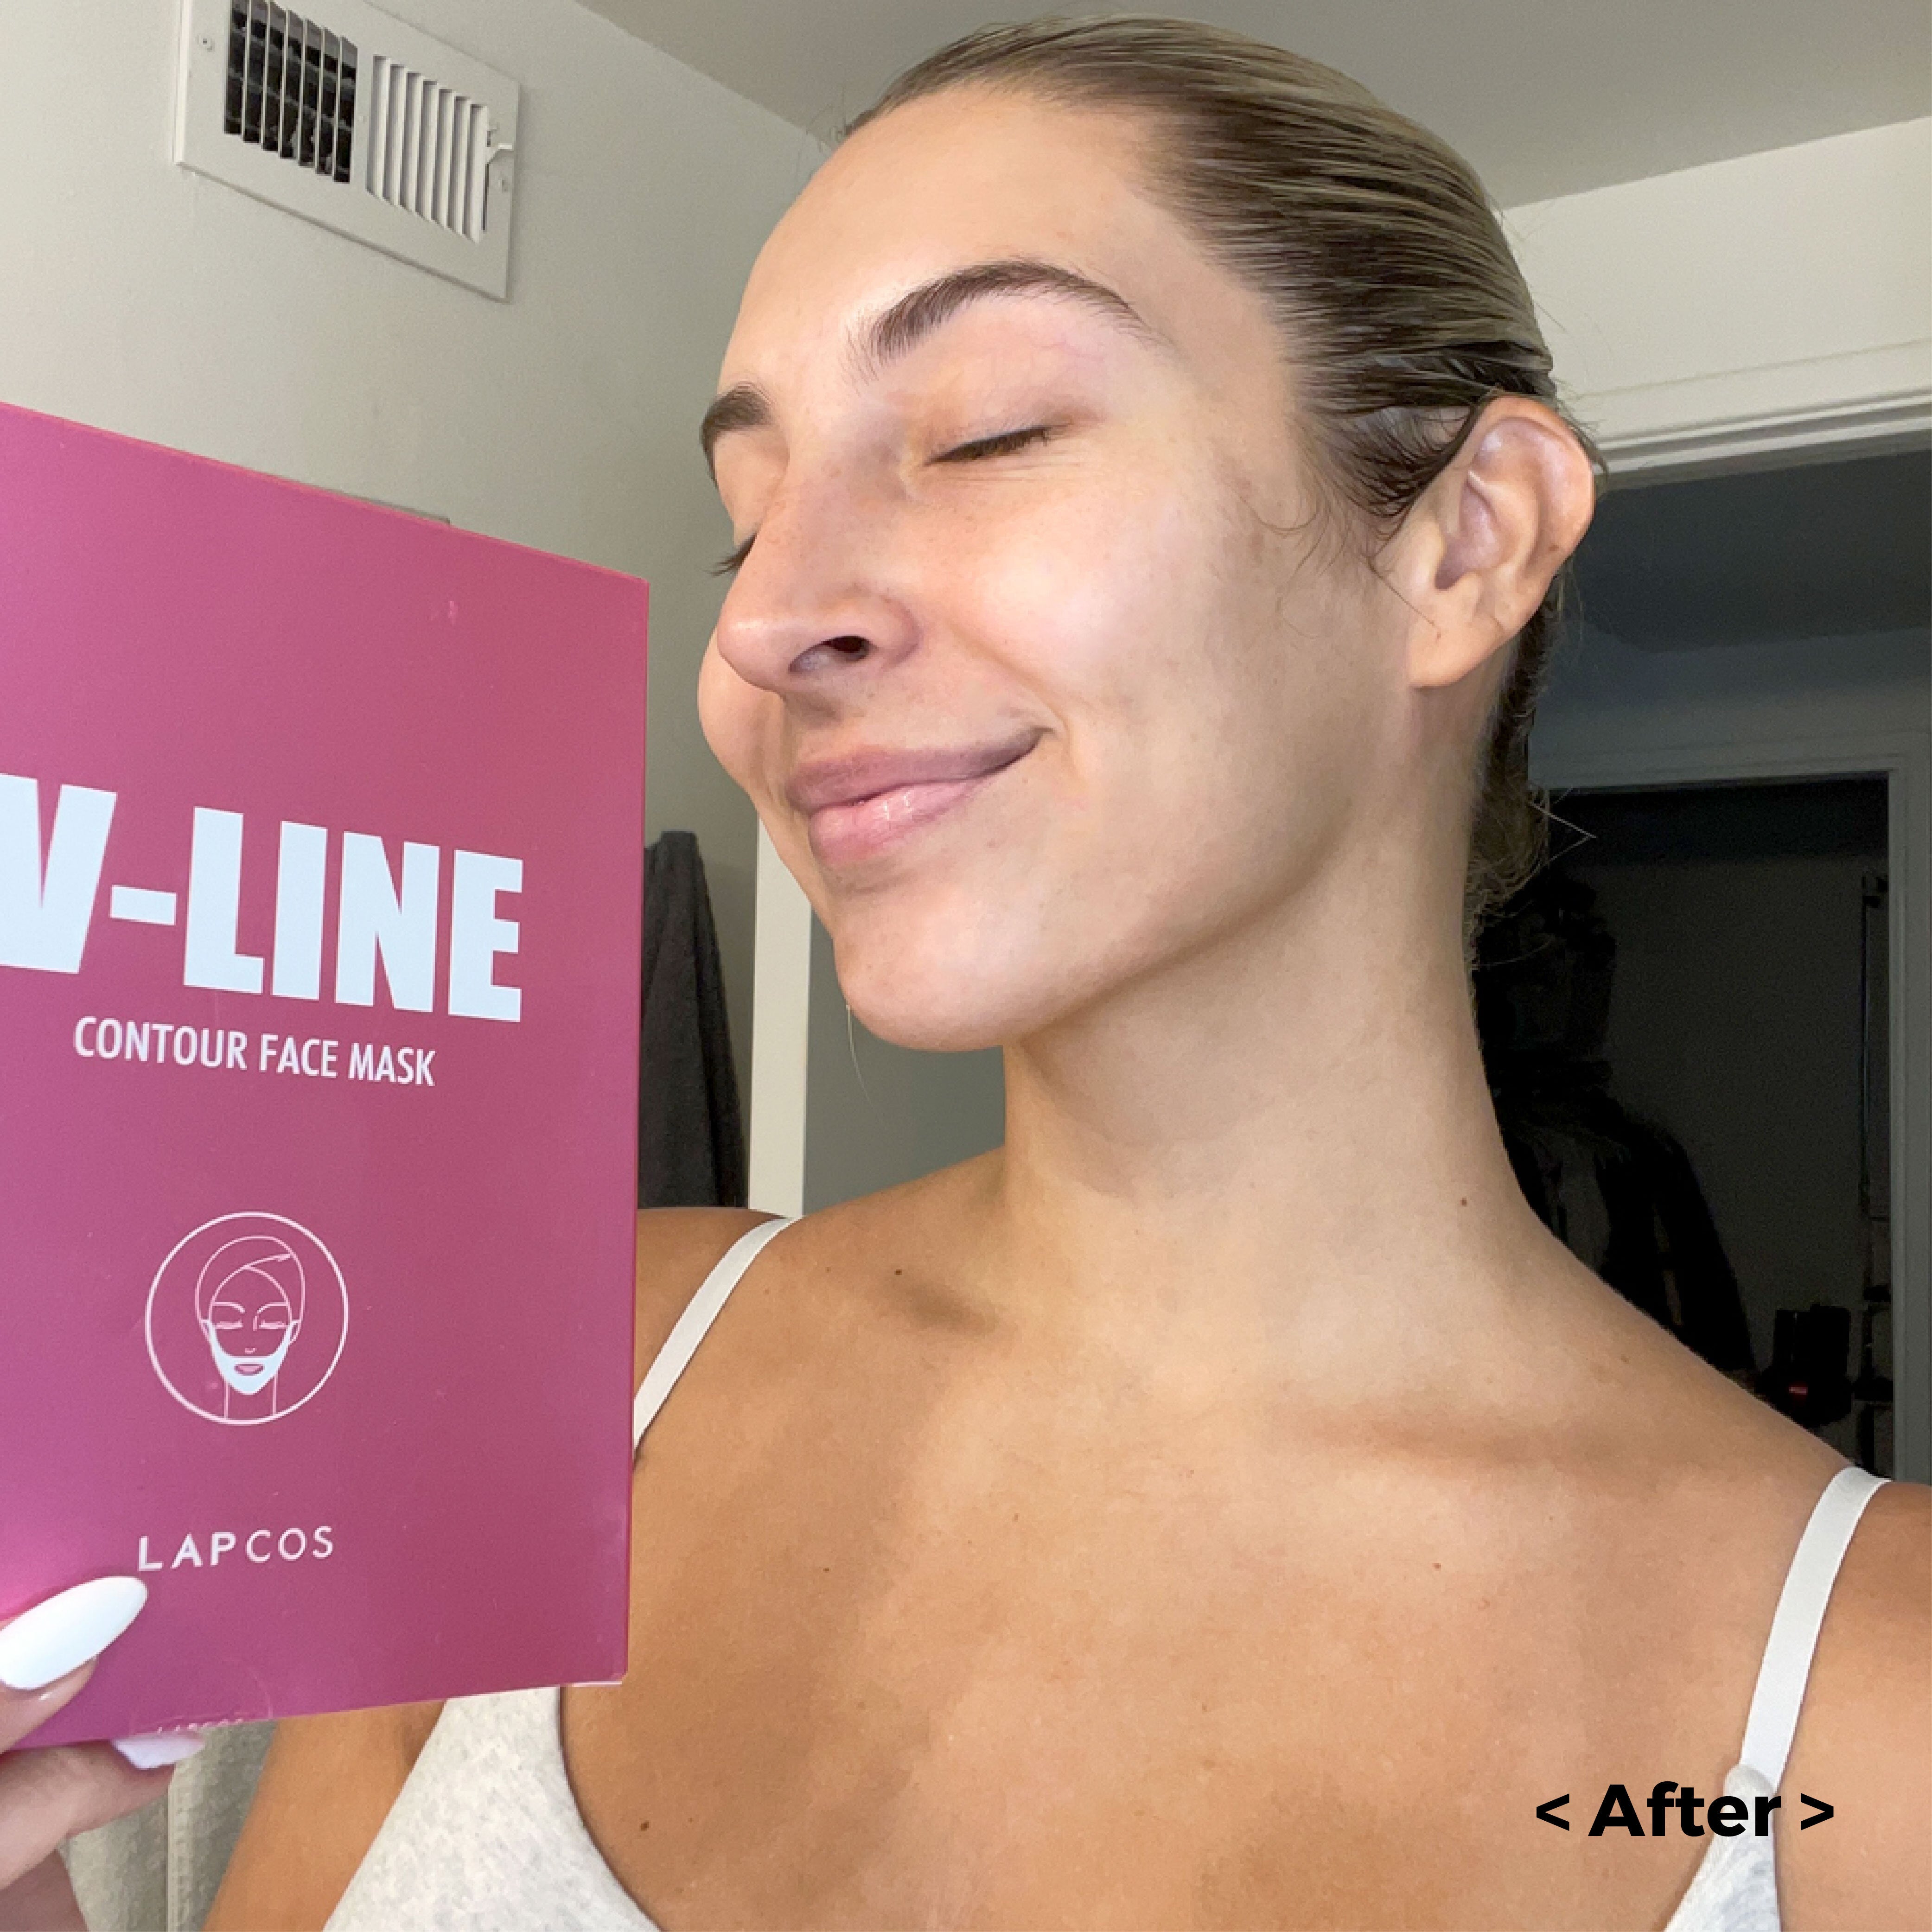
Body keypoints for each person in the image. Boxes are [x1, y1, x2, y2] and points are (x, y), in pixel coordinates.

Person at [4, 18, 1924, 1929]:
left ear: (1465, 541)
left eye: (990, 431)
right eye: (746, 516)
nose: (761, 619)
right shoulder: (561, 1373)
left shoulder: (1865, 1706)